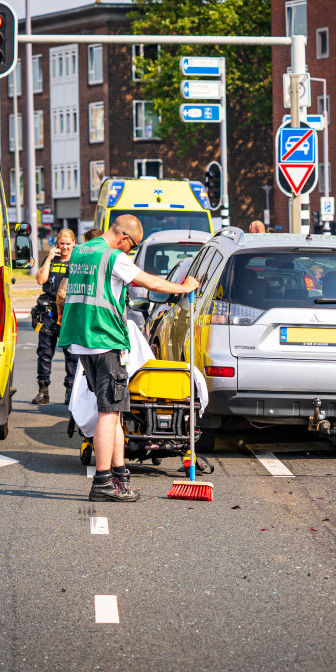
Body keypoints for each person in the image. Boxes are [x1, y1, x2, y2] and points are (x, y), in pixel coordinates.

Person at [59, 214, 199, 502]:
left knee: (115, 413)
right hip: (105, 340)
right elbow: (150, 282)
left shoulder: (82, 251)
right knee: (107, 413)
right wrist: (185, 287)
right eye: (132, 246)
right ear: (123, 238)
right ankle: (102, 483)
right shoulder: (113, 257)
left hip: (83, 342)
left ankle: (120, 473)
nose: (130, 251)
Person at [31, 229, 78, 405]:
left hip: (69, 312)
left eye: (67, 244)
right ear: (57, 244)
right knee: (45, 352)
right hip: (49, 312)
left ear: (74, 243)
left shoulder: (78, 261)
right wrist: (49, 258)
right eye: (61, 243)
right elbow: (40, 280)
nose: (64, 247)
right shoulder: (52, 259)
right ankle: (43, 391)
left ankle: (70, 390)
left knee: (71, 353)